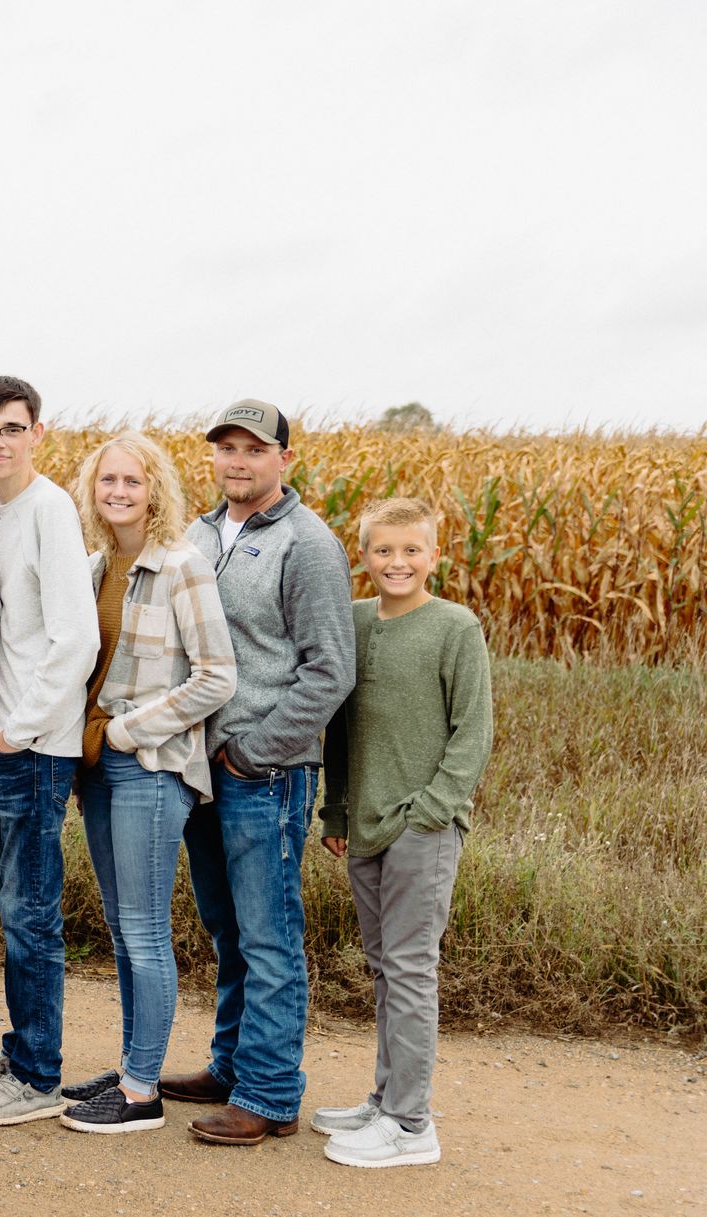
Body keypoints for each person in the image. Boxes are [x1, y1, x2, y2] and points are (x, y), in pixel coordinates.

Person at [164, 399, 356, 1146]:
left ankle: (271, 1093)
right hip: (200, 769)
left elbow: (329, 671)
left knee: (270, 934)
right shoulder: (201, 532)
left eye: (253, 448)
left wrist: (253, 749)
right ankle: (232, 1065)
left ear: (284, 459)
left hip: (261, 772)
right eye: (226, 448)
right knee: (228, 928)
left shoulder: (308, 544)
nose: (237, 461)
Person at [57, 433, 236, 1134]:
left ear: (155, 488)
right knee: (119, 927)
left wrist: (130, 732)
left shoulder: (182, 564)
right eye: (108, 481)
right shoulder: (98, 564)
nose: (119, 491)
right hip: (99, 762)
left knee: (142, 927)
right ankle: (137, 1063)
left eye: (133, 480)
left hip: (151, 765)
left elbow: (217, 675)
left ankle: (140, 1093)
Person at [316, 497, 493, 1168]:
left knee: (412, 968)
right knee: (386, 968)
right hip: (362, 823)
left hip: (423, 824)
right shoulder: (356, 621)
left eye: (411, 550)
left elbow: (472, 730)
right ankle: (387, 1097)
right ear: (364, 556)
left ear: (433, 556)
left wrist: (432, 810)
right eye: (383, 550)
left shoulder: (455, 626)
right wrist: (336, 812)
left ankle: (412, 1124)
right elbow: (341, 726)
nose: (397, 562)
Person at [0, 377, 101, 1127]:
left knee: (30, 911)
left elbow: (78, 637)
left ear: (39, 431)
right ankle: (21, 1048)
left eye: (11, 427)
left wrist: (21, 727)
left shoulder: (50, 509)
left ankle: (38, 1076)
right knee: (18, 905)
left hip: (36, 746)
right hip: (7, 741)